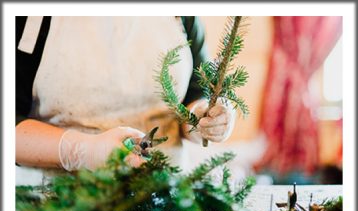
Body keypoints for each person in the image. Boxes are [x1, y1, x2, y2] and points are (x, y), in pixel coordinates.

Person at [16, 16, 236, 183]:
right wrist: (84, 151)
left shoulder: (182, 14)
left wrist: (203, 119)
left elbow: (196, 95)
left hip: (165, 193)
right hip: (54, 202)